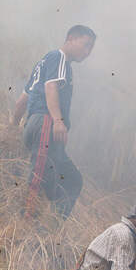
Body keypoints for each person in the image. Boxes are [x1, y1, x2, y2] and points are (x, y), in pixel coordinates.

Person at [11, 25, 96, 219]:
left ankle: (50, 230)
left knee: (72, 180)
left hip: (38, 127)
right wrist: (58, 121)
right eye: (86, 45)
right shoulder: (59, 58)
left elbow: (21, 102)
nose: (88, 52)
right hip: (45, 125)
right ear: (71, 38)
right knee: (38, 182)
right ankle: (25, 229)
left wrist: (13, 128)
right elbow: (51, 88)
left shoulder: (43, 64)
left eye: (91, 48)